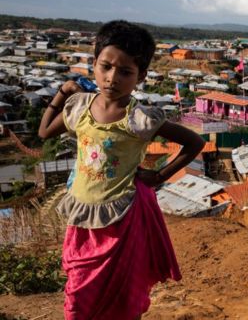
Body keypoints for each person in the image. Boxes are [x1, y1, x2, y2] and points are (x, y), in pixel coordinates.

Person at [38, 20, 206, 320]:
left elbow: (194, 142)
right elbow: (44, 133)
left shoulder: (139, 119)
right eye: (106, 67)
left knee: (122, 295)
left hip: (121, 220)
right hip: (82, 218)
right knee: (78, 295)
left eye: (125, 72)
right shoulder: (79, 108)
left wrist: (159, 176)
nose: (112, 78)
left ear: (140, 76)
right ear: (94, 64)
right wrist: (62, 93)